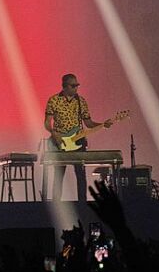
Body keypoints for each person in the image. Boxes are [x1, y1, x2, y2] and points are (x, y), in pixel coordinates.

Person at [44, 73, 112, 202]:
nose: (76, 88)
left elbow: (88, 123)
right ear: (64, 86)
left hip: (78, 140)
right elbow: (47, 122)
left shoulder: (81, 101)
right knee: (59, 175)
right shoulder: (54, 100)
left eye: (77, 85)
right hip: (60, 141)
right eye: (73, 85)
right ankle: (57, 204)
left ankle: (82, 204)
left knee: (80, 174)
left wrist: (103, 124)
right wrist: (54, 133)